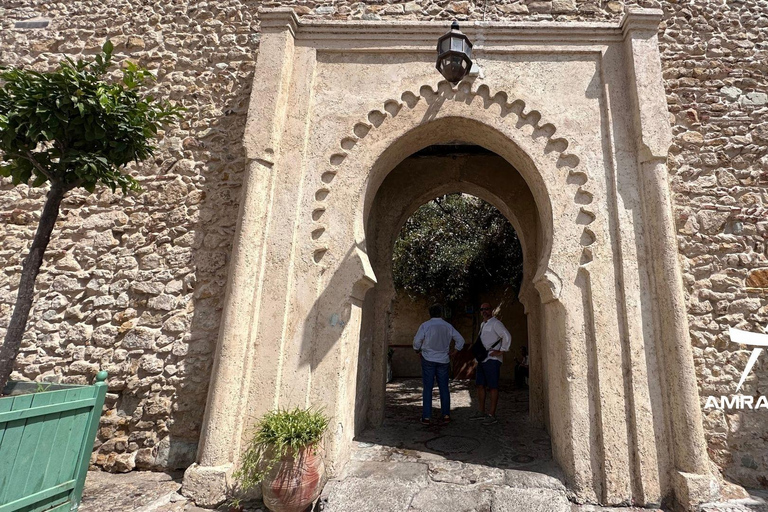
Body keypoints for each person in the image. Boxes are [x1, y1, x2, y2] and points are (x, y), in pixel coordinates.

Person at [413, 303, 465, 425]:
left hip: (428, 359)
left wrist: (417, 350)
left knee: (428, 388)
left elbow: (417, 341)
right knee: (444, 388)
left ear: (430, 313)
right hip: (444, 360)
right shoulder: (447, 326)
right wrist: (456, 351)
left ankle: (426, 417)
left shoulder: (425, 325)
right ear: (441, 313)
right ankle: (446, 415)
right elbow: (460, 340)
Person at [470, 302, 511, 425]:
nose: (484, 311)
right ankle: (481, 412)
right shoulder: (483, 324)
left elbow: (506, 336)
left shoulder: (496, 323)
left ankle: (492, 414)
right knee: (480, 385)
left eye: (487, 309)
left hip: (492, 360)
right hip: (483, 358)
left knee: (493, 387)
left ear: (491, 310)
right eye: (482, 309)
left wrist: (502, 350)